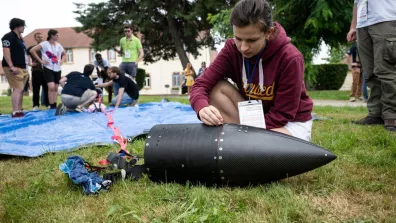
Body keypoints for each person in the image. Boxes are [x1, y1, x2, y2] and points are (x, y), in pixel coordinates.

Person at [189, 0, 313, 141]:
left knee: (260, 149)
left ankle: (242, 139)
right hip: (250, 119)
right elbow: (200, 85)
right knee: (215, 87)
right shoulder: (231, 50)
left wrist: (247, 133)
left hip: (289, 123)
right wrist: (202, 108)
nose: (243, 48)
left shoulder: (290, 58)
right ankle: (244, 139)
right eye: (238, 38)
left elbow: (282, 114)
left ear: (268, 32)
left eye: (252, 40)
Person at [347, 0, 396, 131]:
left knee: (386, 70)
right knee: (370, 73)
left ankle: (391, 115)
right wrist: (353, 26)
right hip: (362, 24)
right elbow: (357, 3)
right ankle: (375, 114)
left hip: (386, 19)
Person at [30, 29, 65, 109]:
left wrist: (62, 61)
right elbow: (32, 51)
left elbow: (64, 54)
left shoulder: (59, 45)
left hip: (57, 68)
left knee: (56, 88)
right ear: (52, 35)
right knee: (51, 87)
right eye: (56, 35)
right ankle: (51, 104)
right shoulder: (44, 44)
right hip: (48, 68)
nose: (58, 36)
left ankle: (54, 105)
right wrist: (41, 61)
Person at [1, 18, 29, 118]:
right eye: (23, 26)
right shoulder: (8, 36)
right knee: (17, 89)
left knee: (20, 90)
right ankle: (15, 111)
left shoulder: (19, 38)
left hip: (22, 67)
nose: (24, 28)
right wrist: (11, 66)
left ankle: (19, 109)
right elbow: (6, 50)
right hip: (13, 67)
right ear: (17, 26)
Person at [27, 32, 49, 110]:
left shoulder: (46, 48)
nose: (40, 38)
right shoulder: (31, 48)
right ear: (35, 38)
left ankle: (48, 104)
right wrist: (30, 64)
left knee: (47, 88)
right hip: (36, 71)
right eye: (38, 37)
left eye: (41, 37)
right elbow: (27, 60)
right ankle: (35, 105)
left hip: (46, 71)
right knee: (36, 89)